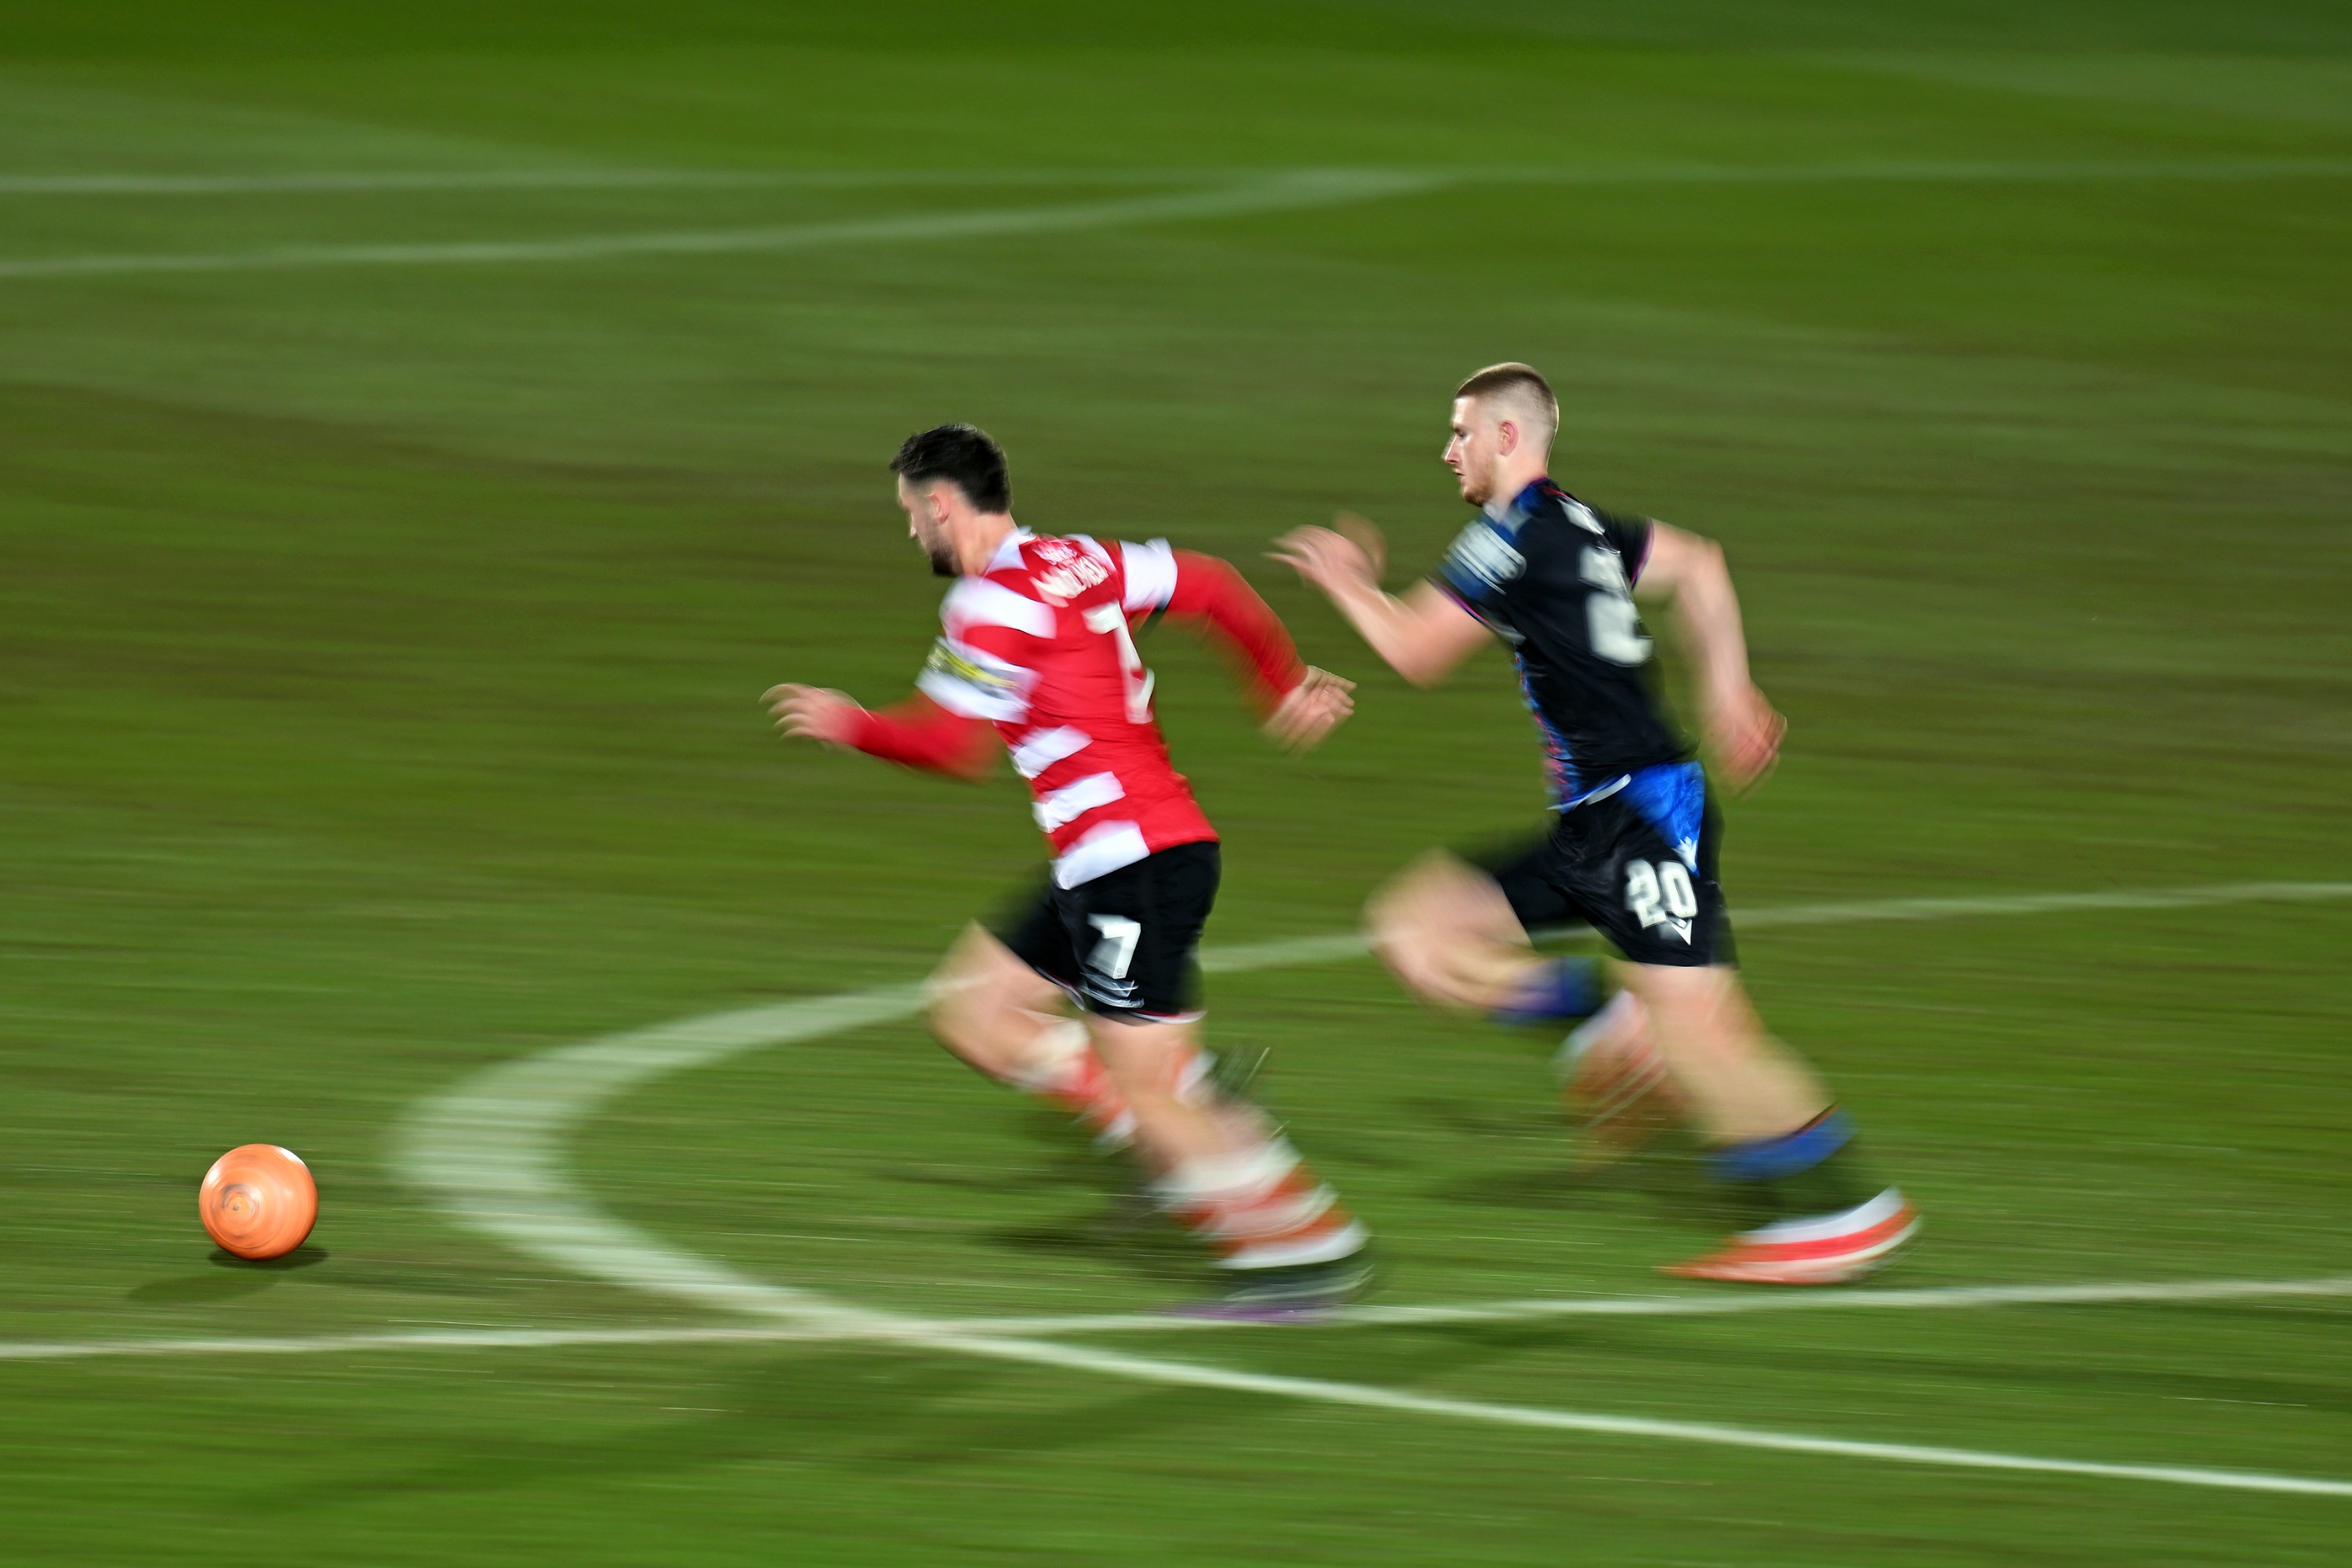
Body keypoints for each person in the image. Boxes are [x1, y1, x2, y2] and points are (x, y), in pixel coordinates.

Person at [1274, 364, 1916, 1284]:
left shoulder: (1508, 536)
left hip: (1645, 815)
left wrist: (1343, 582)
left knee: (1706, 1035)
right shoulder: (1584, 525)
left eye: (1461, 432)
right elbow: (1700, 564)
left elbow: (1414, 651)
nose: (1447, 449)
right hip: (1595, 821)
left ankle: (1845, 1211)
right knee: (1417, 929)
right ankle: (1607, 1018)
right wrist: (1730, 687)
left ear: (1508, 436)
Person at [768, 423, 1371, 1312]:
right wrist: (1277, 682)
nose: (911, 533)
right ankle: (1191, 1109)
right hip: (1110, 861)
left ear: (941, 503)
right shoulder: (1082, 559)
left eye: (909, 514)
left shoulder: (986, 604)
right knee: (977, 1011)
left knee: (1150, 1096)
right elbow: (1210, 584)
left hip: (1133, 863)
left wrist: (850, 721)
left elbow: (947, 746)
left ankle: (1305, 1249)